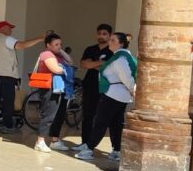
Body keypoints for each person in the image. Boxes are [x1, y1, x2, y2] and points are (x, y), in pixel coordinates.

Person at [75, 31, 137, 162]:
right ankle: (116, 150)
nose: (110, 42)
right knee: (116, 123)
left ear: (121, 44)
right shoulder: (120, 57)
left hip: (113, 94)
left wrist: (133, 89)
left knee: (100, 122)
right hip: (119, 94)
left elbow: (126, 77)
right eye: (111, 40)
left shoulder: (120, 59)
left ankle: (89, 149)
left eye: (113, 40)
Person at [0, 20, 44, 133]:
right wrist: (39, 38)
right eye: (9, 27)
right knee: (8, 102)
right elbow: (22, 45)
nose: (11, 30)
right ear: (3, 28)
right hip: (7, 76)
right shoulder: (7, 39)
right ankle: (7, 126)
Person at [70, 24, 114, 153]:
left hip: (105, 87)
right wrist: (100, 63)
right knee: (88, 115)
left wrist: (92, 64)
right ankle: (85, 142)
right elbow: (83, 64)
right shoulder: (90, 49)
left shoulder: (112, 51)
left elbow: (108, 68)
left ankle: (111, 147)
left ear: (110, 35)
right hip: (90, 85)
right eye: (99, 33)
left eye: (104, 34)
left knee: (103, 117)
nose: (101, 36)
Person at [31, 32, 72, 153]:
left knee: (58, 114)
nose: (59, 46)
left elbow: (70, 62)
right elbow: (56, 69)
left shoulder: (57, 54)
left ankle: (55, 140)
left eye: (60, 44)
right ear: (48, 45)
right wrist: (65, 69)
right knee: (48, 114)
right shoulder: (46, 54)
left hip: (58, 88)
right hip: (49, 88)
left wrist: (61, 51)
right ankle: (40, 141)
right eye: (56, 44)